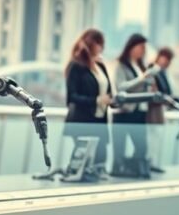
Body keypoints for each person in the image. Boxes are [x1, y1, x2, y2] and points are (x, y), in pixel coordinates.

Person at [63, 28, 113, 171]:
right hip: (82, 119)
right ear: (91, 44)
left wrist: (110, 99)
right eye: (98, 43)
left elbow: (107, 90)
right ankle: (75, 184)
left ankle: (95, 189)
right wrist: (97, 100)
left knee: (100, 158)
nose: (101, 48)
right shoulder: (76, 66)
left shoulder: (100, 65)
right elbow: (72, 97)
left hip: (100, 119)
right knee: (82, 159)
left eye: (102, 44)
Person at [111, 33, 153, 178]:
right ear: (131, 47)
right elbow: (121, 86)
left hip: (140, 112)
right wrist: (141, 79)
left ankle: (132, 168)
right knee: (119, 147)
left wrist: (148, 81)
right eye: (140, 46)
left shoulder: (141, 65)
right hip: (125, 112)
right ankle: (120, 169)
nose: (143, 50)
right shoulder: (121, 65)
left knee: (142, 146)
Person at [146, 47, 179, 173]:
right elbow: (156, 91)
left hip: (160, 109)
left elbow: (167, 91)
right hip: (152, 110)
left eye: (169, 60)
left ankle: (152, 163)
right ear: (160, 56)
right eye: (166, 58)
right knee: (152, 137)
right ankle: (149, 163)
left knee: (156, 138)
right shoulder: (153, 70)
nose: (167, 62)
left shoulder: (163, 72)